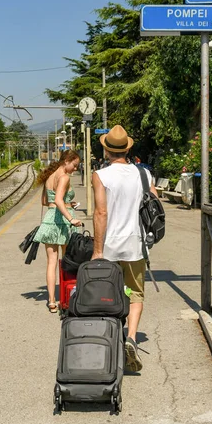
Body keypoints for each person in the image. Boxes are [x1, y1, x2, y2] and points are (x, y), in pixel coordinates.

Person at [91, 125, 158, 372]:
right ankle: (131, 338)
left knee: (108, 293)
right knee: (136, 293)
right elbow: (154, 204)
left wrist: (97, 250)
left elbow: (100, 212)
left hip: (109, 246)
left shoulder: (101, 176)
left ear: (106, 150)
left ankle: (109, 340)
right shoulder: (144, 175)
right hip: (136, 245)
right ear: (128, 148)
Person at [34, 150, 82, 312]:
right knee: (67, 262)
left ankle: (51, 301)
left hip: (49, 221)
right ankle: (66, 298)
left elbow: (45, 201)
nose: (75, 169)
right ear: (66, 161)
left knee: (51, 263)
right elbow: (59, 200)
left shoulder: (49, 176)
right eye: (74, 165)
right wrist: (71, 218)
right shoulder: (64, 177)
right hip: (62, 223)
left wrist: (69, 203)